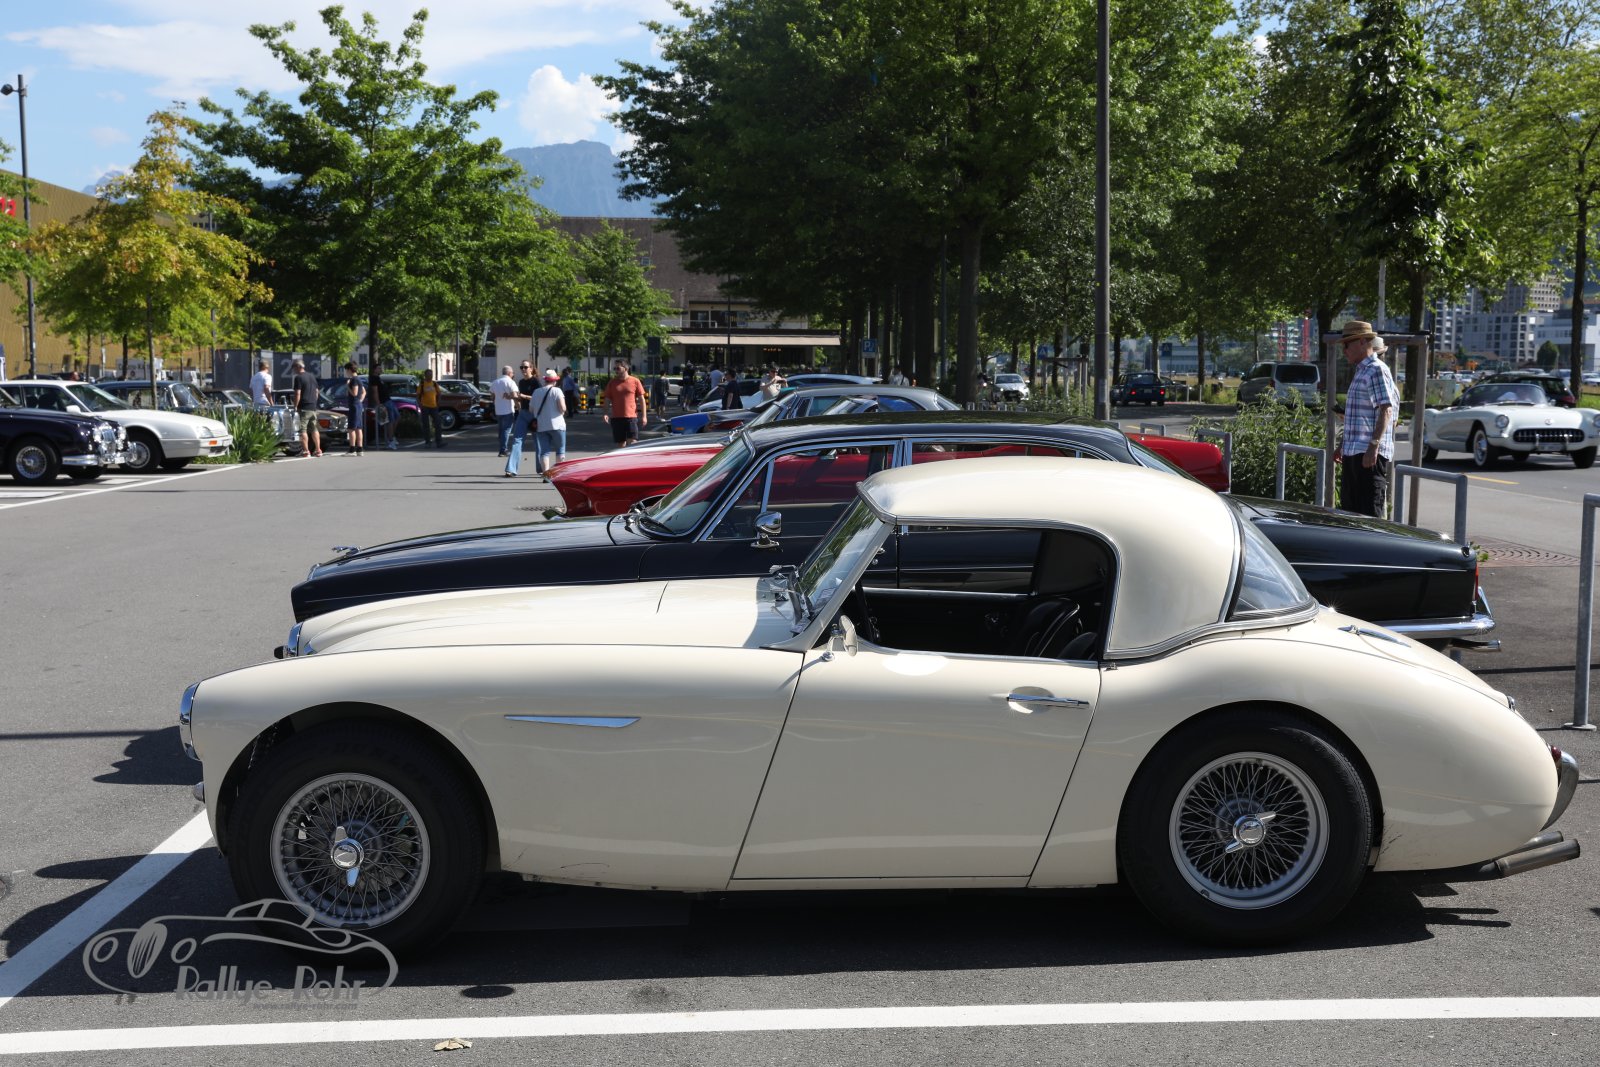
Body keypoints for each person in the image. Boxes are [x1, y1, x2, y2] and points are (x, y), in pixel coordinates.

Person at [1338, 320, 1399, 517]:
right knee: (1350, 514)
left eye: (1347, 344)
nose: (1344, 350)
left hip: (1368, 455)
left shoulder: (1376, 369)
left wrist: (1373, 446)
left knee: (1370, 516)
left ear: (1362, 341)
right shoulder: (1361, 371)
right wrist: (1342, 446)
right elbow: (1358, 416)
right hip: (1355, 452)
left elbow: (1386, 409)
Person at [503, 362, 540, 476]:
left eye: (525, 367)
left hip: (534, 415)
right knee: (517, 440)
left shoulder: (535, 381)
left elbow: (538, 398)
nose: (523, 369)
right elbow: (520, 399)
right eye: (521, 367)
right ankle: (511, 469)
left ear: (531, 369)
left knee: (538, 442)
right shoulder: (521, 382)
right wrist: (511, 397)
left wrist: (524, 396)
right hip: (523, 413)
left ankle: (541, 468)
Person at [531, 368, 568, 480]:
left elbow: (531, 409)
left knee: (544, 452)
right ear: (555, 381)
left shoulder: (536, 392)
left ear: (545, 380)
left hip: (542, 425)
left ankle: (546, 476)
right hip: (557, 425)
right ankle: (559, 475)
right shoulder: (557, 391)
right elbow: (562, 408)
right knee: (560, 450)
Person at [603, 359, 648, 446]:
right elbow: (607, 399)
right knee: (621, 444)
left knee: (633, 442)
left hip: (631, 417)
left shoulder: (635, 381)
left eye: (618, 368)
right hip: (617, 418)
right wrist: (605, 413)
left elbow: (642, 400)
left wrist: (644, 416)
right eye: (615, 368)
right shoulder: (612, 382)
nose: (616, 370)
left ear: (626, 368)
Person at [291, 358, 322, 457]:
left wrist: (295, 406)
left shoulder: (298, 378)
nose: (293, 370)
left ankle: (305, 451)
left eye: (294, 367)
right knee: (314, 429)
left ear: (298, 367)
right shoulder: (312, 376)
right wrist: (314, 402)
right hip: (313, 407)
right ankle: (318, 450)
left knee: (302, 430)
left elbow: (297, 393)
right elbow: (317, 392)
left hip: (304, 407)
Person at [489, 364, 521, 456]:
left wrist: (497, 402)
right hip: (508, 409)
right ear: (509, 373)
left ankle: (502, 447)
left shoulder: (495, 382)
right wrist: (519, 408)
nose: (513, 374)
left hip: (498, 410)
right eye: (512, 373)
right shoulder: (510, 382)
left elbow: (492, 397)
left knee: (501, 430)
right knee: (506, 430)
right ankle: (503, 449)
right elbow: (515, 396)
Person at [343, 362, 367, 456]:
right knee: (358, 428)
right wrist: (360, 401)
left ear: (349, 370)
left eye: (346, 370)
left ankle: (352, 449)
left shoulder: (353, 380)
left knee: (351, 428)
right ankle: (360, 449)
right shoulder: (359, 379)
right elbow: (364, 392)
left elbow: (355, 393)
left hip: (354, 406)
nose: (346, 372)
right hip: (358, 405)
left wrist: (347, 386)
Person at [418, 368, 444, 448]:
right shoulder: (422, 384)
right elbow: (418, 395)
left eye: (431, 374)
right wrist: (420, 404)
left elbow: (439, 393)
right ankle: (427, 442)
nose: (431, 376)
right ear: (425, 375)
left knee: (438, 423)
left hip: (434, 406)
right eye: (429, 374)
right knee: (426, 425)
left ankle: (439, 442)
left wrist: (439, 401)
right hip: (425, 406)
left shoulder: (434, 384)